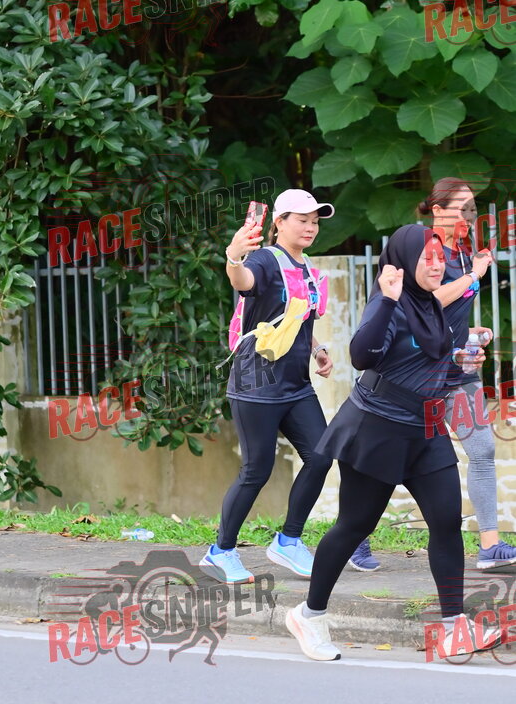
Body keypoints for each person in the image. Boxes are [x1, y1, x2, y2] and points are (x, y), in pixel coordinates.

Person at [285, 224, 502, 661]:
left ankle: (453, 628)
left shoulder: (432, 305)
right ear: (402, 262)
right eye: (427, 258)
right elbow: (362, 355)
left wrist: (464, 362)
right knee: (354, 526)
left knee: (446, 522)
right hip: (377, 429)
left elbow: (432, 365)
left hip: (426, 430)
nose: (438, 265)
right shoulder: (391, 301)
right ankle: (309, 615)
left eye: (440, 257)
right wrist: (386, 299)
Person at [199, 189, 335, 584]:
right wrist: (234, 256)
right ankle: (220, 552)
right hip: (255, 385)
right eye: (302, 220)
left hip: (296, 385)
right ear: (279, 222)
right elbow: (243, 281)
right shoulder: (264, 259)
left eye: (315, 221)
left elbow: (295, 320)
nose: (310, 227)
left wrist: (317, 349)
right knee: (256, 470)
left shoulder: (307, 268)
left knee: (321, 455)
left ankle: (288, 542)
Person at [418, 177, 516, 570]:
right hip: (417, 372)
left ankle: (490, 545)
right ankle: (355, 536)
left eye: (472, 209)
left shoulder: (463, 252)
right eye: (462, 208)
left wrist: (471, 334)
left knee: (482, 450)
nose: (469, 216)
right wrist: (474, 276)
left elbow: (449, 313)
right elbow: (425, 305)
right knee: (396, 456)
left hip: (460, 370)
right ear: (437, 211)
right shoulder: (425, 250)